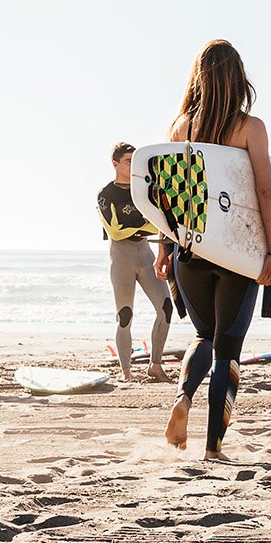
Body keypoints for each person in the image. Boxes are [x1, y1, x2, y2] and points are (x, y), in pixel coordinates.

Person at [154, 40, 271, 459]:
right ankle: (213, 447)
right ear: (238, 78)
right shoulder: (249, 128)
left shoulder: (180, 128)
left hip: (189, 252)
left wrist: (163, 251)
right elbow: (266, 190)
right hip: (236, 254)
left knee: (201, 335)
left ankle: (183, 397)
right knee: (227, 350)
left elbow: (169, 196)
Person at [99, 142, 169, 383]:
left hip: (145, 255)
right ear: (115, 164)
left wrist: (142, 228)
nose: (133, 166)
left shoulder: (145, 190)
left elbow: (162, 223)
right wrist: (145, 226)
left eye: (135, 161)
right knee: (125, 316)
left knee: (165, 309)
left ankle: (155, 365)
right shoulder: (106, 194)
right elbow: (115, 231)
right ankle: (126, 372)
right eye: (128, 161)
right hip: (122, 258)